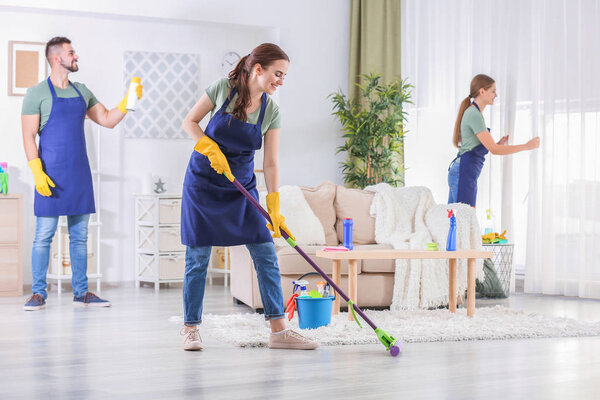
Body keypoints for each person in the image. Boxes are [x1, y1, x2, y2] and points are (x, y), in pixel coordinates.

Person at [180, 43, 318, 351]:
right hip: (203, 183)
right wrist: (210, 148)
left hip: (241, 187)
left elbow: (270, 162)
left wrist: (274, 206)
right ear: (258, 69)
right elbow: (189, 122)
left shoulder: (272, 111)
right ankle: (190, 328)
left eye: (283, 76)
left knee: (265, 253)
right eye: (277, 74)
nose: (280, 81)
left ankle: (279, 330)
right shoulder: (222, 89)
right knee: (198, 259)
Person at [21, 37, 142, 310]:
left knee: (80, 237)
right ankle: (38, 293)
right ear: (56, 58)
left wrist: (129, 99)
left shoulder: (82, 91)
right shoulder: (36, 93)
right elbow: (28, 136)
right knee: (44, 235)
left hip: (78, 174)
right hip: (49, 175)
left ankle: (82, 293)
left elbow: (108, 119)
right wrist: (37, 172)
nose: (76, 56)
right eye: (71, 52)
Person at [448, 74, 540, 207]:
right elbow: (495, 151)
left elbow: (479, 146)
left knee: (457, 221)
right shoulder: (474, 114)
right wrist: (526, 146)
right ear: (482, 91)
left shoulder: (474, 113)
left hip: (463, 171)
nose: (496, 95)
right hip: (463, 172)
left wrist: (497, 144)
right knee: (462, 221)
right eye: (493, 91)